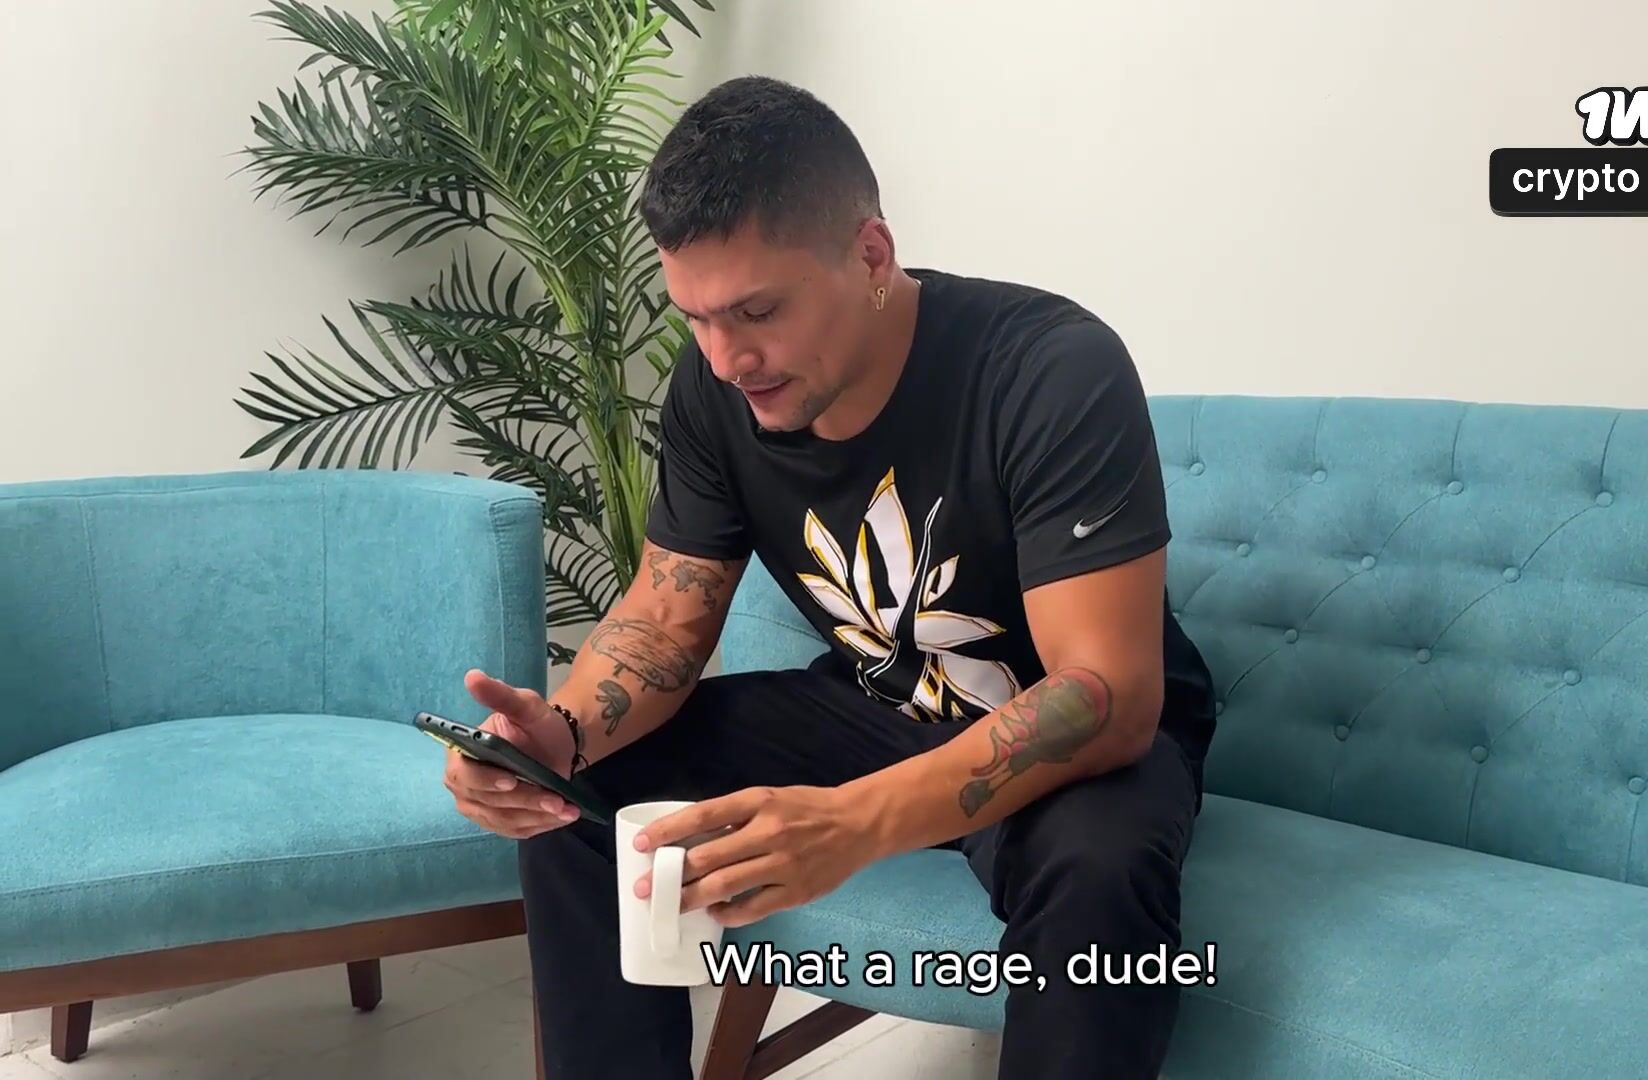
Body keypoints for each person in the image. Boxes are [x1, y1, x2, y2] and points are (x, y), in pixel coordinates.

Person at [441, 74, 1217, 1080]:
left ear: (871, 256)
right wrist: (565, 732)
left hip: (1064, 734)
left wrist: (852, 823)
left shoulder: (1049, 369)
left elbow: (1105, 695)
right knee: (576, 802)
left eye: (757, 310)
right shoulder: (717, 388)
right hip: (876, 706)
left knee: (1099, 873)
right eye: (695, 318)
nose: (727, 357)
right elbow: (666, 622)